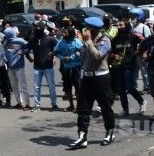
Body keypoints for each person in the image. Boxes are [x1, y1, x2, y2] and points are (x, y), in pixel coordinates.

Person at [68, 17, 116, 149]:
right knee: (83, 108)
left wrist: (88, 42)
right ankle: (82, 137)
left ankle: (110, 132)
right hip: (87, 78)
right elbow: (82, 57)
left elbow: (98, 56)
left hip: (101, 78)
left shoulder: (105, 40)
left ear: (95, 29)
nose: (86, 30)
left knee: (105, 107)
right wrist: (81, 45)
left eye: (88, 28)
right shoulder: (86, 41)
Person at [109, 21, 146, 116]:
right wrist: (114, 55)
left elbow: (144, 41)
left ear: (127, 26)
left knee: (130, 87)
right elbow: (111, 52)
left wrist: (139, 52)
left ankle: (142, 101)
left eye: (121, 25)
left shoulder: (133, 36)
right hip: (118, 67)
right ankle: (125, 109)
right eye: (118, 25)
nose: (119, 26)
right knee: (121, 89)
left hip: (130, 66)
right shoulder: (115, 39)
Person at [55, 26, 84, 112]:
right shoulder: (60, 42)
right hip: (66, 68)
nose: (64, 34)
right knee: (67, 88)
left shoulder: (77, 42)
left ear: (71, 34)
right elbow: (56, 52)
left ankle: (79, 106)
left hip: (76, 68)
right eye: (63, 33)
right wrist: (62, 58)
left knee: (78, 88)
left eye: (66, 33)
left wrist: (71, 57)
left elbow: (81, 52)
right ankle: (71, 105)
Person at [3, 27, 30, 110]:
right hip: (10, 67)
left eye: (7, 34)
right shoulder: (6, 42)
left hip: (19, 66)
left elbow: (28, 47)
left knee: (23, 85)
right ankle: (19, 102)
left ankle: (27, 104)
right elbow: (4, 50)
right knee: (14, 86)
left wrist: (23, 52)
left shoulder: (20, 41)